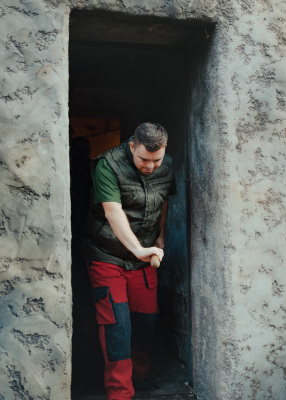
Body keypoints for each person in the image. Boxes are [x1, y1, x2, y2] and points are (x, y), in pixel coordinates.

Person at [81, 122, 176, 400]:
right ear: (132, 146)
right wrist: (138, 249)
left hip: (143, 256)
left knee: (146, 320)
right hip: (106, 255)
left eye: (156, 160)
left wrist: (160, 236)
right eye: (144, 159)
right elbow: (113, 212)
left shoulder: (166, 165)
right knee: (117, 324)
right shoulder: (107, 165)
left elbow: (162, 202)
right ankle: (120, 392)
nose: (150, 166)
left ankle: (140, 376)